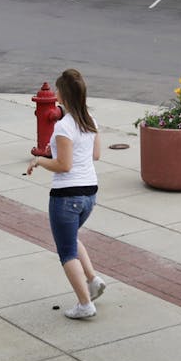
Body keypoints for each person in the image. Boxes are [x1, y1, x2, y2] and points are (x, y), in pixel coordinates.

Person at [25, 69, 106, 320]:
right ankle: (92, 280)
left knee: (66, 251)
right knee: (71, 238)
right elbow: (95, 155)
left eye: (58, 89)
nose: (56, 93)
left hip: (66, 195)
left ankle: (85, 304)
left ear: (63, 96)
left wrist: (39, 161)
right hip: (90, 193)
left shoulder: (63, 127)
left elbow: (64, 165)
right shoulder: (89, 119)